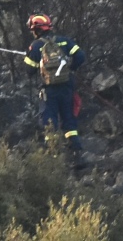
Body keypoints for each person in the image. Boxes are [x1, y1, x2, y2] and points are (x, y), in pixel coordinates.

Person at [24, 13, 85, 155]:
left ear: (36, 30)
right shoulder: (64, 41)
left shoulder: (36, 46)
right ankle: (77, 154)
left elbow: (29, 70)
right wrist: (70, 69)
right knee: (69, 120)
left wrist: (30, 57)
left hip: (49, 90)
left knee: (49, 122)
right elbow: (80, 56)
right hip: (66, 87)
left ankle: (54, 156)